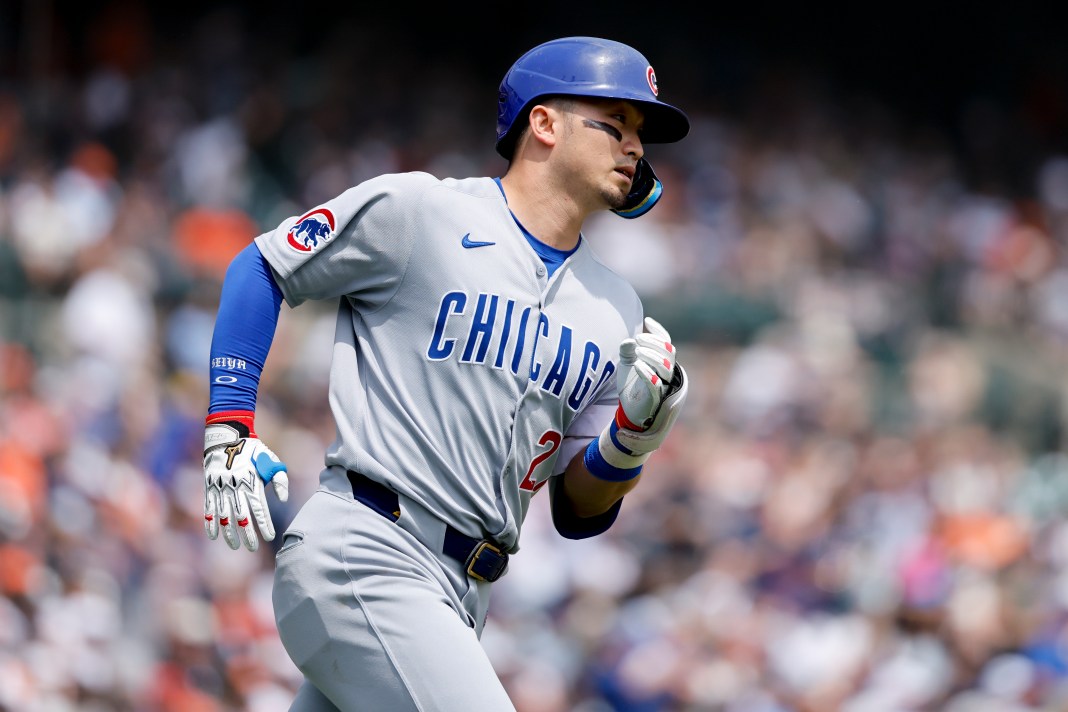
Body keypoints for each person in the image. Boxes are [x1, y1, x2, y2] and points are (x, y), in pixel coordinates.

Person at [201, 36, 691, 711]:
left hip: (462, 593)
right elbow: (262, 267)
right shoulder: (424, 213)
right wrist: (229, 425)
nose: (636, 147)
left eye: (641, 133)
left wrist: (631, 440)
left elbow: (578, 513)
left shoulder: (618, 307)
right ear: (543, 123)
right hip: (368, 551)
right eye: (617, 123)